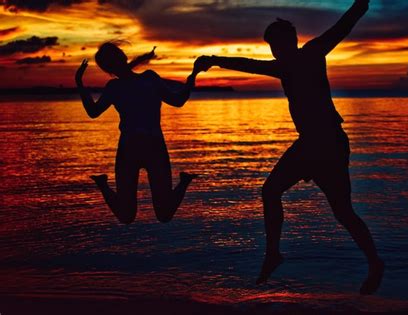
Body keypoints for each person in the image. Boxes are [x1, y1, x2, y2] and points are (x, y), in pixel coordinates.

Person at [199, 0, 384, 294]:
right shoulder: (283, 66)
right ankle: (273, 253)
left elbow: (342, 27)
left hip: (329, 143)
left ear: (291, 41)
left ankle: (374, 263)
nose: (275, 50)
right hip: (310, 144)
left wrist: (360, 5)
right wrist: (215, 59)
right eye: (272, 45)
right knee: (272, 191)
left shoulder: (310, 54)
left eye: (278, 43)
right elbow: (251, 65)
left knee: (343, 211)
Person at [75, 41, 209, 225]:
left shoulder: (145, 80)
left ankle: (184, 181)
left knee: (158, 215)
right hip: (134, 149)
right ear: (121, 58)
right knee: (132, 215)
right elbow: (94, 112)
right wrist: (192, 75)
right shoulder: (118, 87)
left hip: (149, 147)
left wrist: (193, 75)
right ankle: (102, 183)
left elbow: (177, 101)